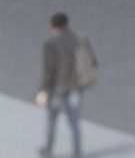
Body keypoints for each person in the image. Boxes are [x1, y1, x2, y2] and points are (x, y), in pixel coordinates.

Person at [36, 11, 94, 158]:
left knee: (52, 120)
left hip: (58, 88)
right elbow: (93, 61)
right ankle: (77, 152)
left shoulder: (49, 44)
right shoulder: (80, 39)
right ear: (67, 24)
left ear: (51, 26)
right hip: (76, 86)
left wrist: (43, 90)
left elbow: (49, 70)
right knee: (74, 122)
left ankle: (48, 150)